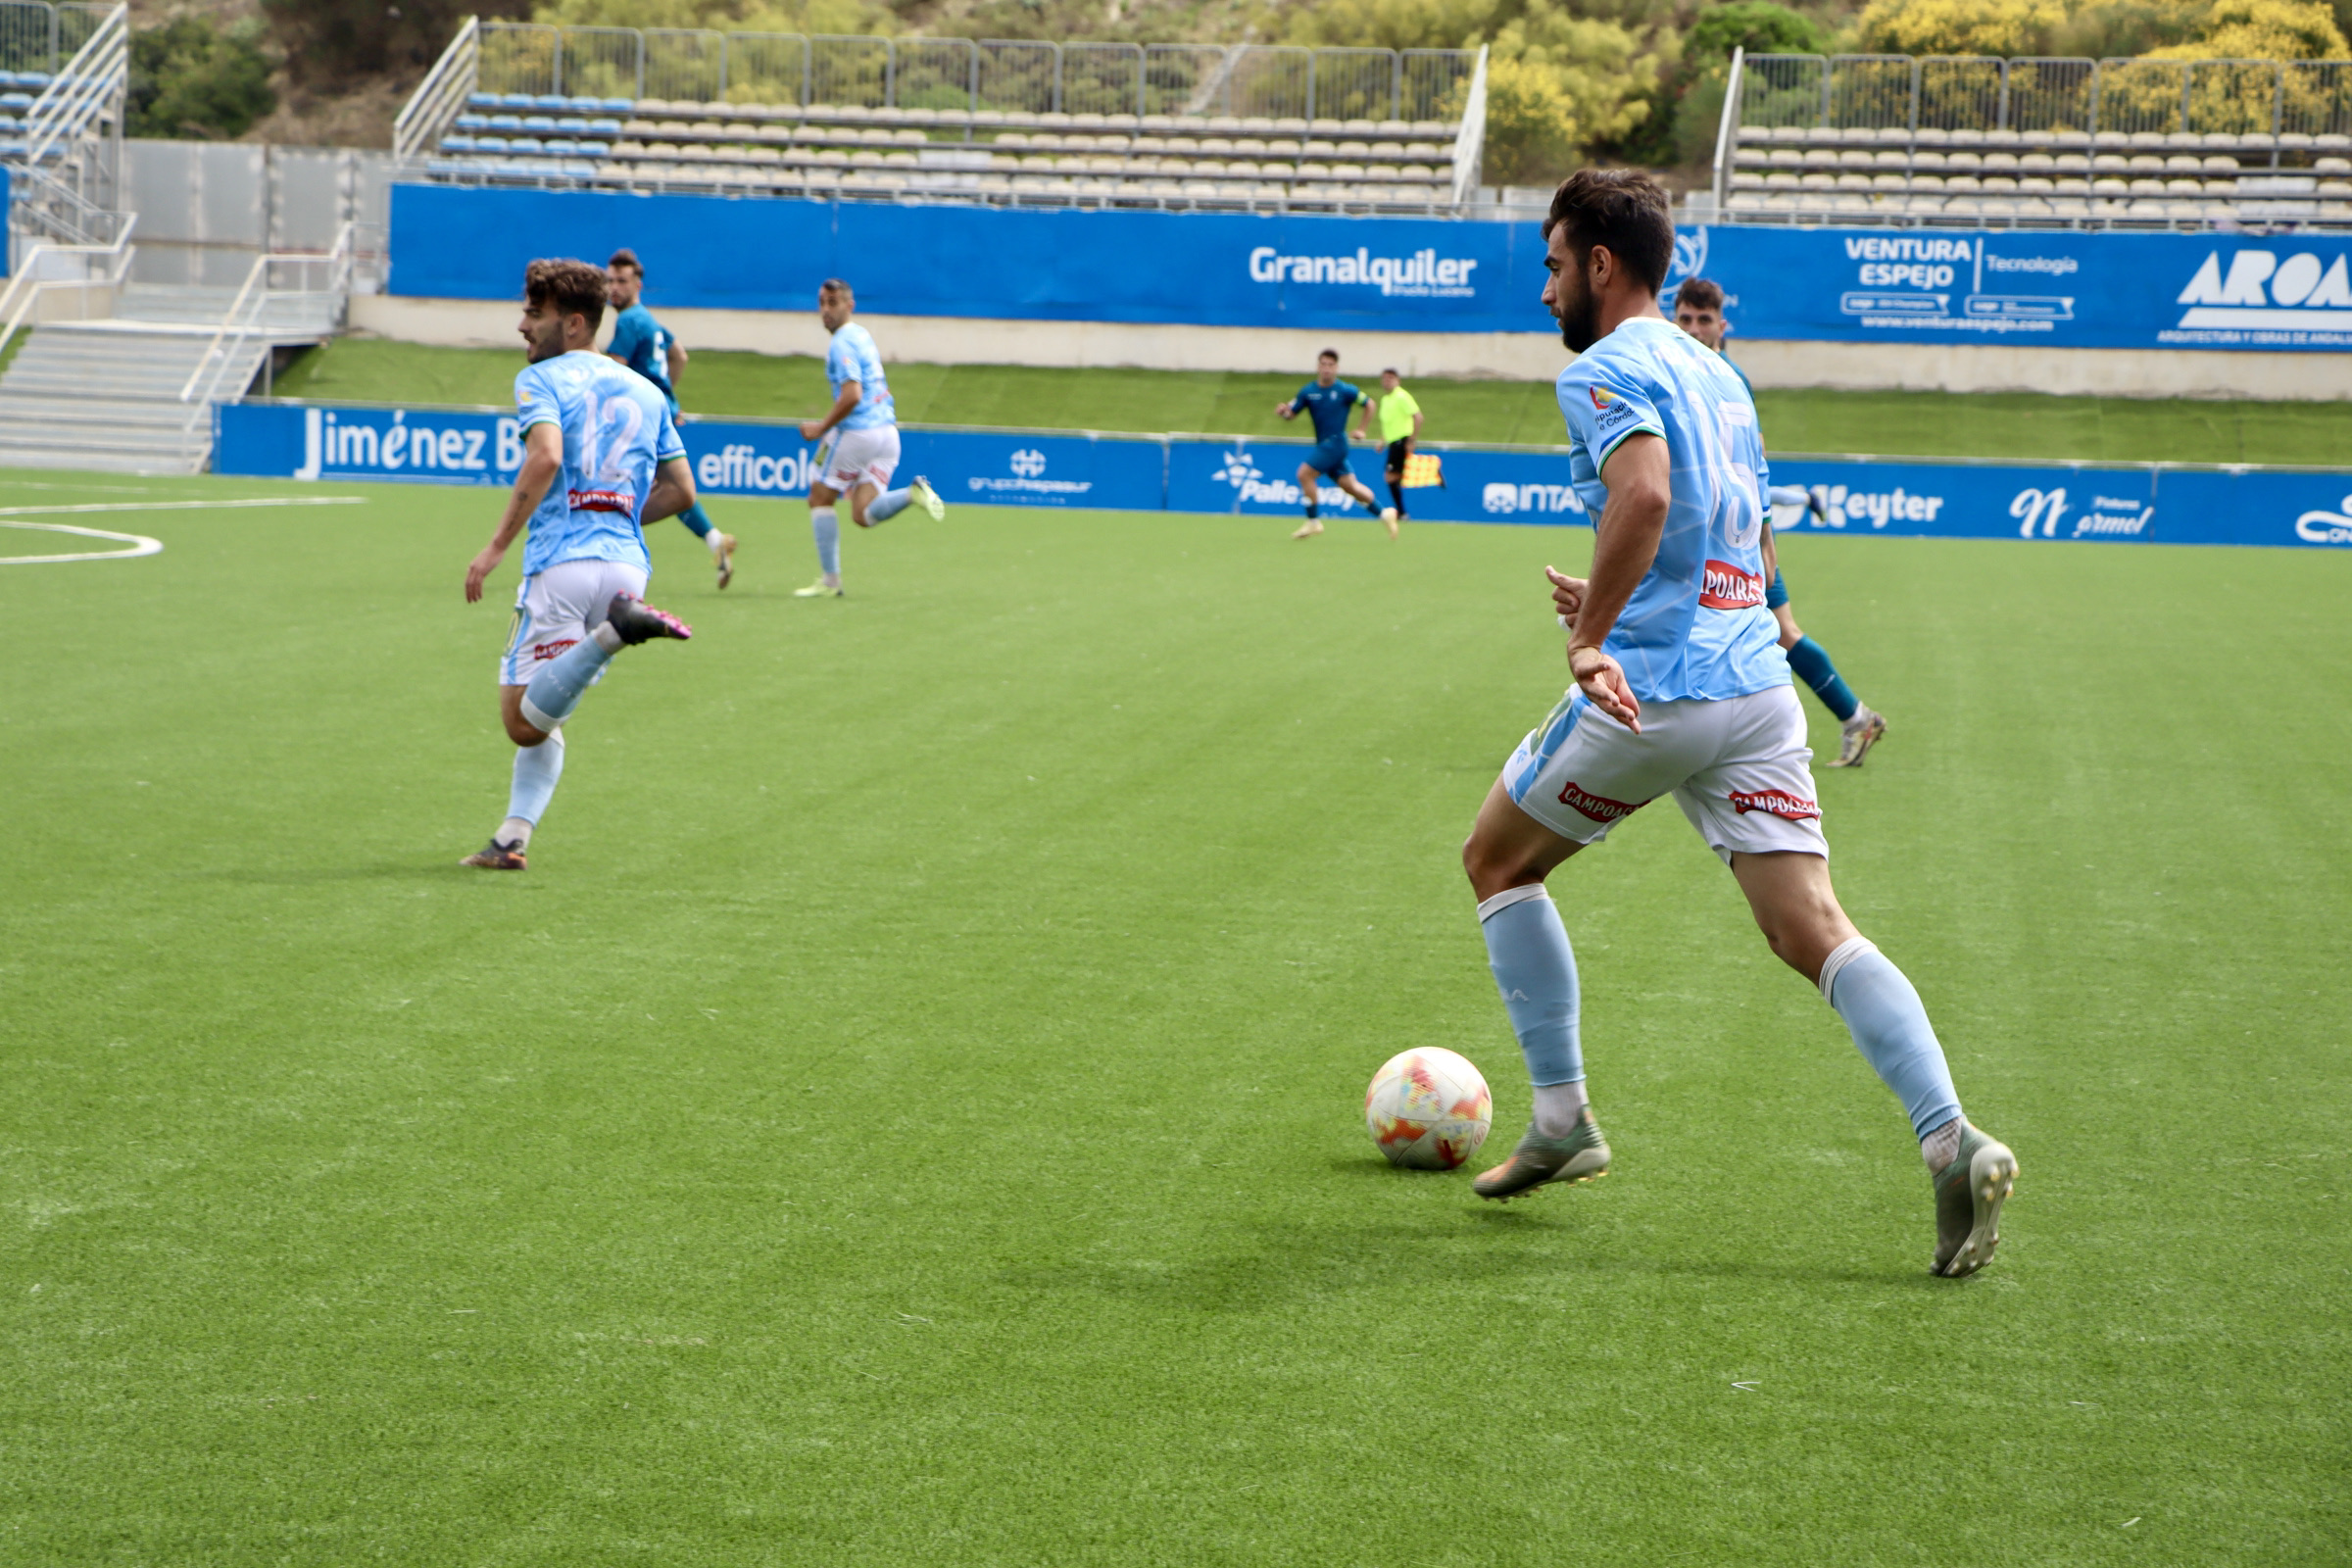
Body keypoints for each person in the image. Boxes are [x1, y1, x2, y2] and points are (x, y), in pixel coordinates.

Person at [1459, 171, 2015, 1279]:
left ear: (1602, 266)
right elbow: (1741, 542)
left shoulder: (1607, 366)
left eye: (1554, 266)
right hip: (1758, 689)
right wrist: (1622, 597)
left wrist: (1594, 638)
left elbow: (1651, 495)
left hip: (1656, 695)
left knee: (1496, 860)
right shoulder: (1720, 375)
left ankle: (1564, 1118)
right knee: (1814, 925)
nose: (1547, 290)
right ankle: (1952, 1133)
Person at [459, 258, 698, 871]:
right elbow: (682, 493)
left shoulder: (542, 380)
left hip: (562, 564)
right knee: (550, 704)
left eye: (532, 314)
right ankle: (511, 839)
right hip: (625, 569)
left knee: (521, 721)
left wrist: (496, 547)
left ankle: (617, 632)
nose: (520, 326)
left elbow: (544, 459)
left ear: (571, 324)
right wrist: (615, 514)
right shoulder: (647, 391)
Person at [1673, 276, 1886, 767]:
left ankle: (1849, 720)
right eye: (1685, 319)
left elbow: (1754, 460)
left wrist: (1759, 538)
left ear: (1722, 326)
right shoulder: (1676, 374)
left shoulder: (1727, 378)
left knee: (1780, 633)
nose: (1694, 328)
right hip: (1708, 537)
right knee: (1775, 632)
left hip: (1735, 539)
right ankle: (1855, 719)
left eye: (1704, 320)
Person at [794, 278, 943, 599]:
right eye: (821, 302)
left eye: (832, 303)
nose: (825, 310)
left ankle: (830, 581)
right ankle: (911, 494)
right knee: (863, 513)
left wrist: (820, 428)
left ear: (850, 305)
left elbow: (852, 395)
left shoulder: (841, 343)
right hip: (888, 434)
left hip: (857, 434)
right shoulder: (862, 334)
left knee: (819, 498)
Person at [606, 248, 738, 590]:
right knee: (670, 486)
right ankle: (713, 539)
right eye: (610, 281)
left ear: (638, 284)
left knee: (634, 485)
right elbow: (680, 355)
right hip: (660, 410)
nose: (613, 288)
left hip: (641, 418)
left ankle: (610, 543)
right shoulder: (651, 321)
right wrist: (668, 397)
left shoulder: (629, 321)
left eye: (621, 281)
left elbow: (613, 370)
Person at [1274, 349, 1393, 541]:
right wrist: (1283, 412)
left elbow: (1370, 404)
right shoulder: (1308, 391)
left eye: (1330, 365)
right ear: (1318, 367)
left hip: (1336, 443)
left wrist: (1362, 429)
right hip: (1325, 446)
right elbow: (1291, 414)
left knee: (1304, 474)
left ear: (1336, 368)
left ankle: (1313, 522)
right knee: (1350, 486)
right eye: (1323, 364)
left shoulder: (1345, 390)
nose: (1327, 369)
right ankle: (1384, 513)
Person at [1357, 368, 1422, 522]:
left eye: (1391, 378)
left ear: (1397, 380)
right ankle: (1402, 512)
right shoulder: (1386, 400)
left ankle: (1402, 513)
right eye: (1385, 378)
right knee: (1395, 477)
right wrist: (1382, 440)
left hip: (1402, 440)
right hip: (1393, 441)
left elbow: (1418, 417)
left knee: (1390, 477)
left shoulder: (1402, 396)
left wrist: (1411, 440)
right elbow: (1390, 424)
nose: (1387, 381)